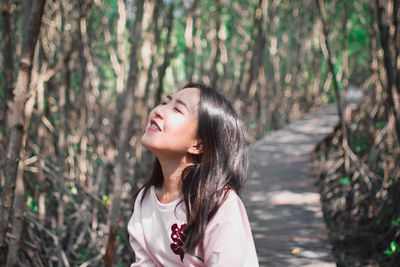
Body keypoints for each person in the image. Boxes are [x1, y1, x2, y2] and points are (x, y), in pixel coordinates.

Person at [127, 83, 258, 266]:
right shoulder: (145, 201)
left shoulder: (219, 204)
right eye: (164, 102)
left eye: (177, 110)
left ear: (198, 145)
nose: (159, 111)